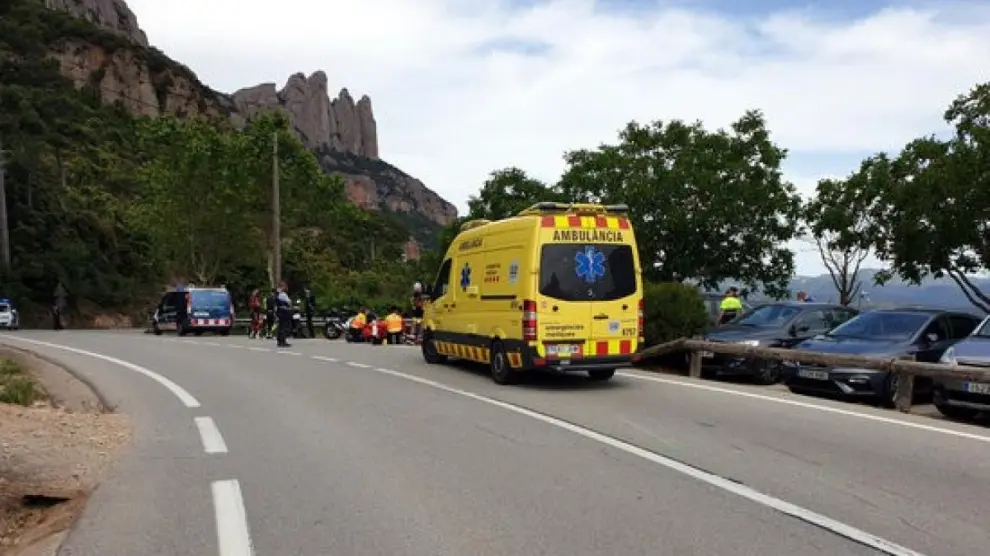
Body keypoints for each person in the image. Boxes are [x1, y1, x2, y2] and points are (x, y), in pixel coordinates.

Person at [275, 281, 292, 347]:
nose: (286, 287)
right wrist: (289, 304)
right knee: (284, 327)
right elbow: (289, 302)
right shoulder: (283, 294)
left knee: (281, 326)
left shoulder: (277, 293)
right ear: (282, 286)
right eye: (285, 286)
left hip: (279, 311)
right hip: (284, 311)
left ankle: (280, 341)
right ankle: (282, 341)